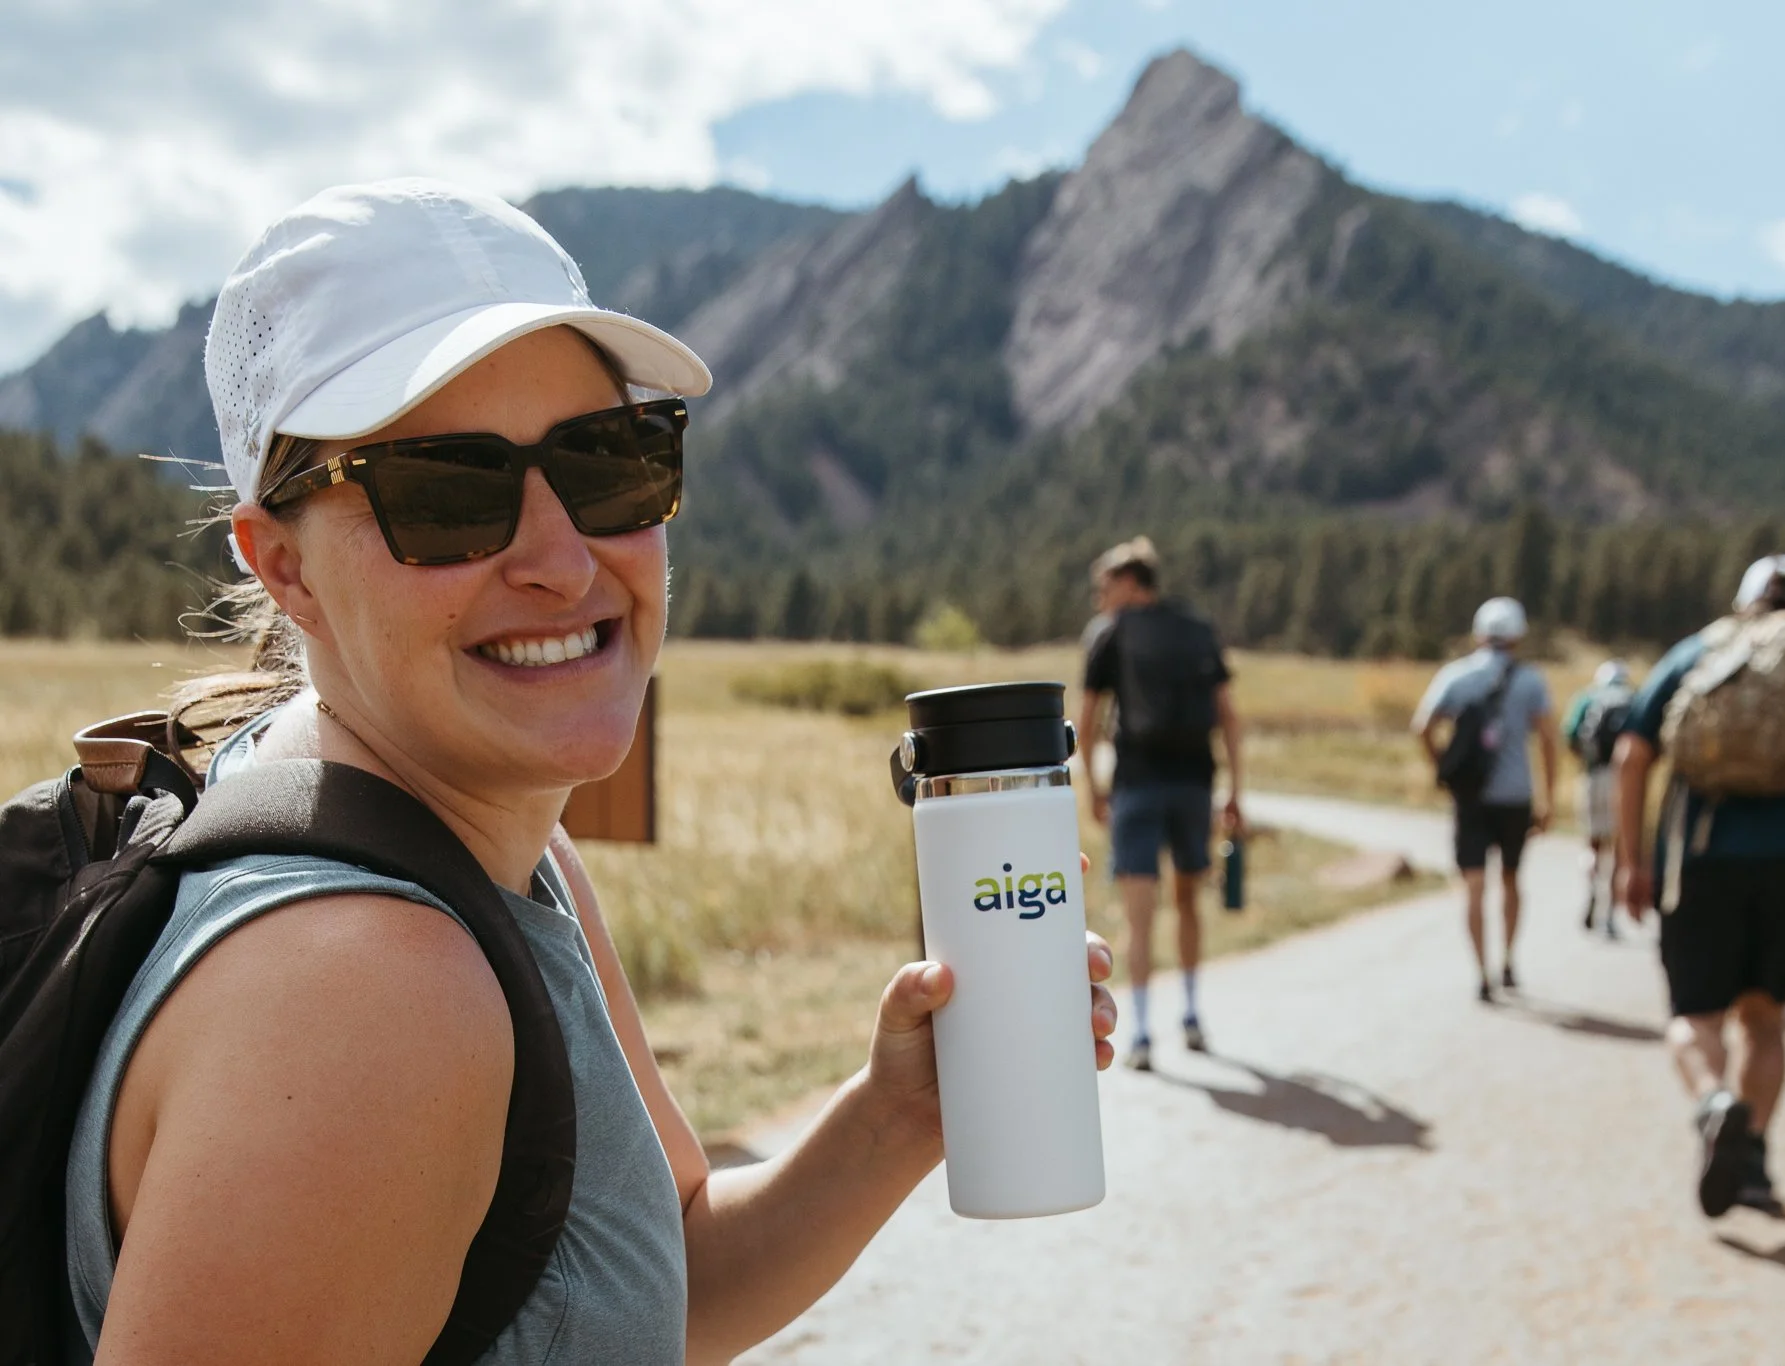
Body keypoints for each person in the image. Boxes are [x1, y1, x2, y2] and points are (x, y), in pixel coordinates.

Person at [62, 179, 1118, 1363]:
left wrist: (892, 1115)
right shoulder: (368, 996)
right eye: (446, 493)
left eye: (607, 461)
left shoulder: (491, 845)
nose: (561, 561)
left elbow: (660, 1280)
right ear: (284, 565)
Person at [1615, 555, 1785, 1218]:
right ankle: (1756, 1159)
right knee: (1765, 1018)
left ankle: (1713, 1100)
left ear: (1744, 602)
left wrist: (1632, 860)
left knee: (1693, 1016)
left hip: (1702, 853)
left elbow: (1631, 755)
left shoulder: (1701, 652)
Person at [1077, 537, 1244, 1073]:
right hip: (1195, 784)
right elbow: (1228, 716)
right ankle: (1192, 1014)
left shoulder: (1110, 635)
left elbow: (1085, 723)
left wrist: (1092, 791)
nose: (1099, 597)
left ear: (1129, 583)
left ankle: (1143, 1031)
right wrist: (1236, 791)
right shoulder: (1197, 629)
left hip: (1137, 785)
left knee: (1139, 914)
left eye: (1104, 586)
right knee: (1189, 901)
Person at [1412, 597, 1557, 1003]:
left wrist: (1443, 768)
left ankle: (1481, 973)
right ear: (1518, 636)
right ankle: (1508, 959)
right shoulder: (1531, 681)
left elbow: (1422, 726)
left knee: (1473, 886)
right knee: (1511, 880)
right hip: (1515, 796)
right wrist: (1548, 799)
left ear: (1479, 634)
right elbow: (1547, 739)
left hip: (1470, 798)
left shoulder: (1456, 677)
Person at [1561, 659, 1635, 939]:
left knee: (1592, 843)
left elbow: (1570, 736)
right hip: (1622, 779)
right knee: (1617, 848)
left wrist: (1586, 762)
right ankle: (1610, 915)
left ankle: (1591, 889)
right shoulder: (1632, 699)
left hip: (1593, 776)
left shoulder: (1587, 698)